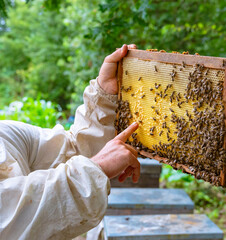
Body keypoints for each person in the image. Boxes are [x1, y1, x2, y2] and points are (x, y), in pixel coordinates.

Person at [0, 44, 139, 239]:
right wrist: (96, 167)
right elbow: (12, 221)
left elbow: (70, 150)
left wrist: (105, 95)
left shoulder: (5, 134)